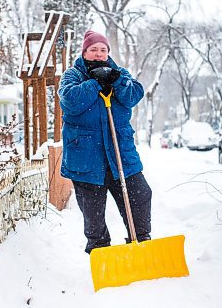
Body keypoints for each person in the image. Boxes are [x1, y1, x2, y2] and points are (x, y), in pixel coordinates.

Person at [58, 30, 152, 254]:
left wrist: (116, 80)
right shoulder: (73, 75)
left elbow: (133, 95)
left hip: (121, 155)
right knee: (93, 214)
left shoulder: (120, 73)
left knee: (141, 194)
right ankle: (101, 253)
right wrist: (94, 83)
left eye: (103, 50)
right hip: (86, 160)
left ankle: (141, 243)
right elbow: (70, 101)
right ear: (85, 52)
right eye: (93, 49)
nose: (99, 54)